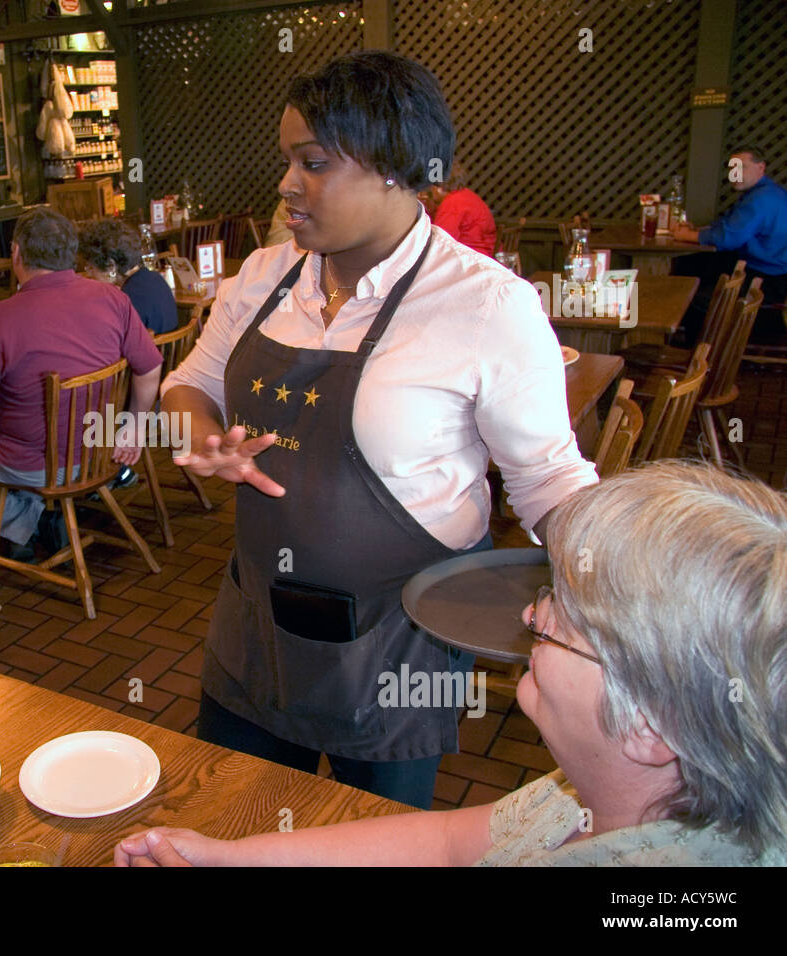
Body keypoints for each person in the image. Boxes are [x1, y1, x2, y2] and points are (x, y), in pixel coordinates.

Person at [160, 52, 597, 809]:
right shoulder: (262, 276)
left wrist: (624, 581)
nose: (286, 184)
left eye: (314, 163)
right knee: (229, 816)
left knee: (375, 835)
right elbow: (188, 382)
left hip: (399, 641)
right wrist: (197, 433)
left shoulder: (487, 305)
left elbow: (550, 478)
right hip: (258, 621)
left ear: (399, 168)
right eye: (286, 161)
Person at [118, 462, 787, 866]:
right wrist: (223, 856)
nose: (532, 617)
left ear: (649, 724)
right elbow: (447, 845)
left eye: (567, 618)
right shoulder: (603, 797)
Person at [0, 208, 163, 556]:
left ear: (16, 253)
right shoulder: (114, 298)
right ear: (72, 252)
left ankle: (26, 520)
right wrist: (135, 425)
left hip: (35, 467)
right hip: (101, 452)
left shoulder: (1, 320)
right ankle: (37, 516)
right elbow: (150, 367)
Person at [673, 147, 787, 339]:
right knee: (688, 267)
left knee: (690, 290)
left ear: (761, 167)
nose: (735, 174)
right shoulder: (764, 192)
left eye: (742, 167)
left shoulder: (761, 199)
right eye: (732, 168)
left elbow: (728, 238)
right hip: (763, 267)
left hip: (768, 278)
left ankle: (698, 350)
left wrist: (685, 235)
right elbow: (729, 224)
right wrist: (698, 230)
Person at [78, 219, 178, 334]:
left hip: (146, 351)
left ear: (111, 266)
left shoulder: (127, 300)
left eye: (91, 268)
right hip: (171, 351)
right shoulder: (156, 278)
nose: (89, 274)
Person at [421, 161, 497, 256]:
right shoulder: (466, 194)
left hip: (470, 257)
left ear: (437, 188)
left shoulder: (452, 204)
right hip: (484, 254)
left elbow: (439, 240)